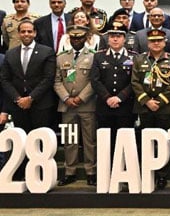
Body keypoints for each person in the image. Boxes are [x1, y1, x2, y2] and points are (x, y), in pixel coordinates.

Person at [0, 19, 55, 180]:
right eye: (23, 31)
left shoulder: (47, 51)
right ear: (18, 33)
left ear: (35, 33)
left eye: (29, 31)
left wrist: (31, 98)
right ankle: (23, 173)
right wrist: (18, 98)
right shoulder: (10, 54)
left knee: (39, 140)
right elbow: (4, 80)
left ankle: (42, 175)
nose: (26, 34)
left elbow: (48, 78)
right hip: (18, 105)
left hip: (41, 104)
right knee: (22, 141)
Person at [131, 29, 170, 190]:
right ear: (148, 43)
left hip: (164, 108)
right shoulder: (139, 59)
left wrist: (159, 102)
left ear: (165, 42)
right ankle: (148, 172)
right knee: (147, 142)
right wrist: (147, 101)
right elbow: (135, 82)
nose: (156, 43)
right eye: (153, 41)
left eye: (159, 40)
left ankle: (162, 175)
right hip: (145, 108)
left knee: (164, 143)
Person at [54, 25, 97, 186]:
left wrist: (81, 98)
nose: (76, 40)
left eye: (79, 38)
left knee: (89, 140)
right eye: (73, 38)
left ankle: (91, 171)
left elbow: (94, 81)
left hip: (87, 105)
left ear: (86, 38)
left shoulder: (93, 56)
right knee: (69, 140)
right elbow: (57, 81)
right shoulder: (61, 57)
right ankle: (70, 171)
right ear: (69, 39)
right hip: (67, 107)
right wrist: (66, 98)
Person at [90, 21, 137, 162]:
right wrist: (108, 98)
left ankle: (124, 169)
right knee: (106, 142)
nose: (115, 39)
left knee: (125, 141)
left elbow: (134, 81)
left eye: (119, 36)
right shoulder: (99, 56)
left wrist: (120, 97)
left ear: (124, 38)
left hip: (126, 107)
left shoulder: (134, 56)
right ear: (107, 38)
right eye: (112, 36)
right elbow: (95, 80)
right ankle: (107, 170)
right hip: (105, 106)